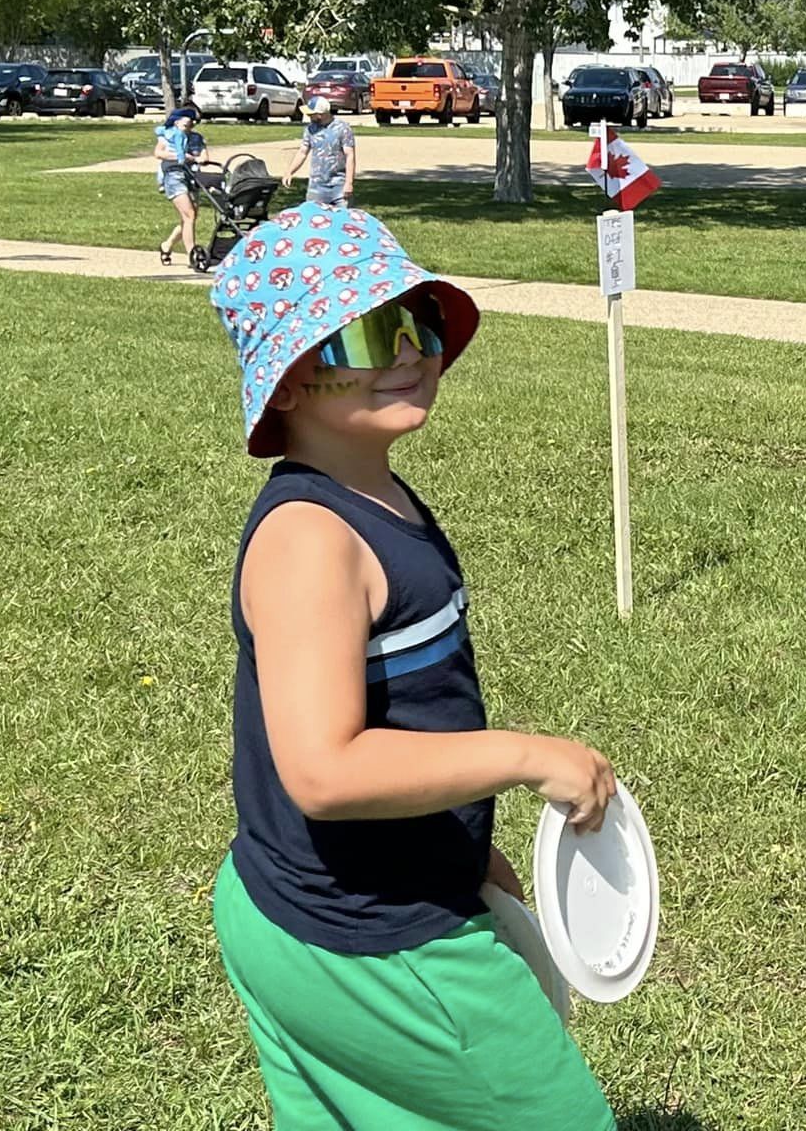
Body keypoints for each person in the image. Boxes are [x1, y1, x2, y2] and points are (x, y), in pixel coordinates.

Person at [208, 207, 619, 1130]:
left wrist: (469, 851)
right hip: (378, 944)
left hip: (314, 912)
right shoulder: (312, 540)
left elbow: (411, 718)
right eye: (365, 332)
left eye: (417, 321)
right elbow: (325, 770)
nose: (406, 351)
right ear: (288, 379)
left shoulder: (376, 495)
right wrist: (526, 756)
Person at [153, 105, 206, 264]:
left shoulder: (196, 138)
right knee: (189, 214)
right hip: (173, 176)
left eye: (193, 122)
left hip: (192, 176)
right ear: (176, 122)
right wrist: (180, 156)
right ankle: (192, 254)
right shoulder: (168, 136)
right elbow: (158, 153)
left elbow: (204, 156)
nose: (191, 124)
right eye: (187, 122)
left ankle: (167, 245)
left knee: (189, 218)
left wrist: (196, 158)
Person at [281, 96, 357, 207]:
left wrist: (349, 183)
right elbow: (302, 152)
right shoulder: (310, 129)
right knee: (313, 216)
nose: (308, 116)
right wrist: (290, 172)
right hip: (316, 187)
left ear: (320, 114)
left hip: (339, 186)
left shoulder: (343, 129)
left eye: (311, 114)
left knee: (343, 217)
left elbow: (350, 155)